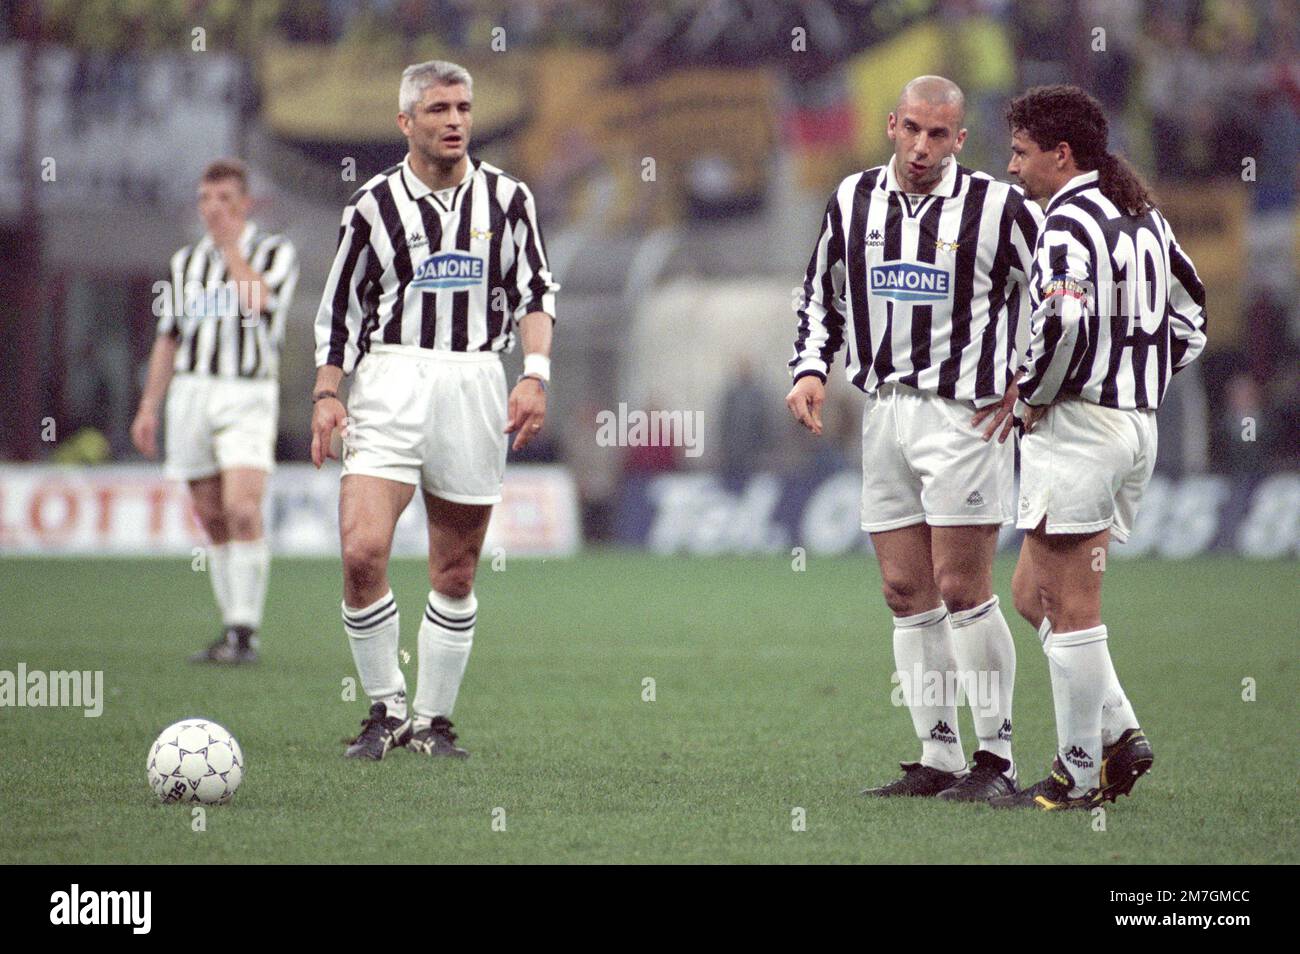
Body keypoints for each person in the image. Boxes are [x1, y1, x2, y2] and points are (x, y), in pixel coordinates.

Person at [785, 76, 1042, 801]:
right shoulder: (852, 198)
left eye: (940, 135)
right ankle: (938, 754)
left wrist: (1032, 378)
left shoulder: (1000, 207)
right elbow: (819, 294)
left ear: (961, 139)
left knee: (963, 586)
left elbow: (1059, 290)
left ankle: (997, 759)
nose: (923, 147)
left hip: (964, 415)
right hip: (885, 411)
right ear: (892, 124)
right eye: (913, 130)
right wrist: (810, 370)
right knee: (905, 590)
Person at [311, 60, 558, 760]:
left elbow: (537, 294)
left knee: (455, 570)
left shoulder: (508, 200)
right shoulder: (370, 207)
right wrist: (328, 394)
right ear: (405, 122)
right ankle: (384, 706)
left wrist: (533, 375)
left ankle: (433, 722)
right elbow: (339, 316)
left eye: (464, 108)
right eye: (439, 109)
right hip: (389, 379)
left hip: (474, 380)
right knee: (361, 552)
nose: (455, 121)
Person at [980, 85, 1207, 810]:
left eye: (1020, 152)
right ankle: (1121, 732)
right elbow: (1194, 313)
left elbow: (1065, 320)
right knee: (1029, 594)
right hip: (1132, 424)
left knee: (1073, 606)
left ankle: (1076, 777)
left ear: (1060, 152)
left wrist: (1034, 392)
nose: (1012, 168)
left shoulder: (1066, 222)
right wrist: (1139, 375)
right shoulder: (1141, 216)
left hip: (1081, 425)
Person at [130, 158, 299, 664]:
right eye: (206, 199)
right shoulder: (185, 264)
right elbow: (170, 337)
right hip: (192, 393)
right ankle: (232, 629)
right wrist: (148, 406)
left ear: (245, 203)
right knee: (210, 515)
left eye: (225, 199)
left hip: (247, 392)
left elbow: (258, 303)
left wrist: (229, 248)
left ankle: (246, 632)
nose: (213, 209)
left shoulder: (273, 251)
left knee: (243, 508)